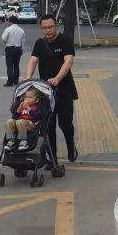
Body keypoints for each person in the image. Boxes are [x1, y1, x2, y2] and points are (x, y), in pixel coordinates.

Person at [25, 14, 78, 162]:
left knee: (65, 123)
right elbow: (33, 60)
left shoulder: (65, 40)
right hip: (45, 91)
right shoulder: (39, 43)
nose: (48, 30)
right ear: (41, 28)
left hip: (64, 89)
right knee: (48, 125)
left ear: (56, 26)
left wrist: (57, 78)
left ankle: (70, 144)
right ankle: (52, 159)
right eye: (44, 28)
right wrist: (28, 78)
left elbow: (68, 61)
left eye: (50, 27)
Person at [4, 85, 45, 152]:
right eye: (26, 97)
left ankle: (23, 141)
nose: (27, 99)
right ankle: (10, 140)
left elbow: (37, 116)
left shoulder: (36, 107)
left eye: (30, 97)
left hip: (31, 124)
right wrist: (19, 108)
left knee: (20, 122)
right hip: (19, 123)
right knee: (9, 121)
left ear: (36, 100)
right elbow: (15, 117)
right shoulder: (22, 106)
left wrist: (28, 108)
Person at [1, 18, 27, 87]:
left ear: (10, 22)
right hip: (18, 49)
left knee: (9, 66)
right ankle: (16, 81)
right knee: (16, 65)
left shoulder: (8, 29)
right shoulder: (21, 30)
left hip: (9, 48)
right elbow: (23, 41)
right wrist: (22, 49)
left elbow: (3, 38)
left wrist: (6, 42)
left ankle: (10, 82)